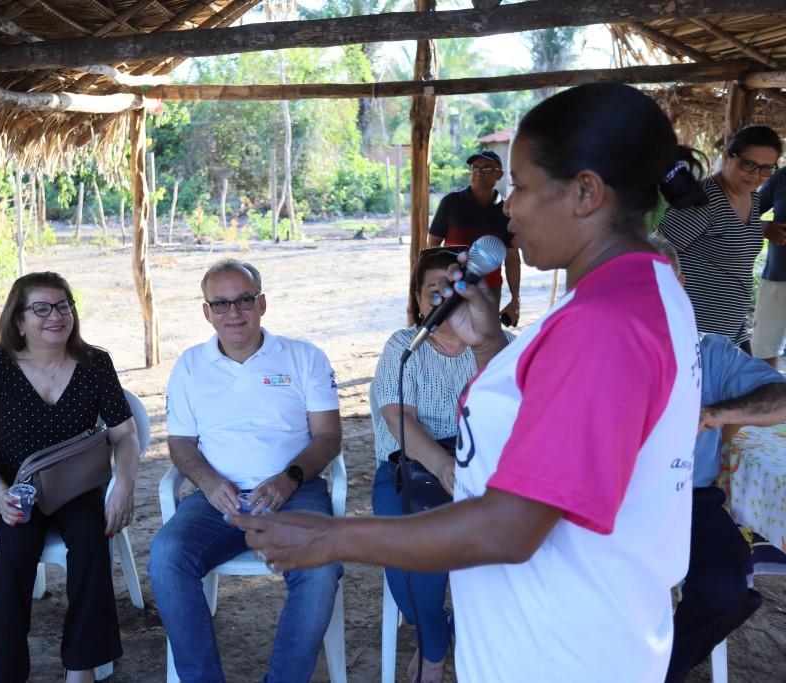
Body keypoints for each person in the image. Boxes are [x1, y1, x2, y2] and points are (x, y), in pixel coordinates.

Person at [237, 82, 708, 682]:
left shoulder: (603, 323)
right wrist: (488, 347)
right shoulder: (647, 286)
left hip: (557, 650)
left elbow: (511, 527)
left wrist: (332, 538)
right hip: (574, 627)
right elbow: (548, 432)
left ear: (586, 192)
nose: (507, 207)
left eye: (522, 186)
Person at [149, 259, 343, 683]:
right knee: (167, 557)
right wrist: (208, 482)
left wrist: (289, 478)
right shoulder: (190, 366)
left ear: (262, 304)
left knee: (320, 567)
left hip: (295, 493)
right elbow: (180, 443)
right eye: (220, 304)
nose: (233, 312)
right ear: (207, 312)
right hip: (216, 499)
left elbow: (329, 437)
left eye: (244, 300)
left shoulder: (304, 357)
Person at [0, 271, 140, 683]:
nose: (55, 317)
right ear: (19, 320)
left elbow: (125, 435)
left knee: (93, 540)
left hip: (76, 485)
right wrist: (0, 493)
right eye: (41, 309)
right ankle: (6, 673)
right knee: (14, 553)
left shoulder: (95, 363)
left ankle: (81, 667)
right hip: (14, 486)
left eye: (63, 306)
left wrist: (124, 485)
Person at [648, 236, 786, 682]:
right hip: (616, 500)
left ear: (682, 285)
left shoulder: (710, 351)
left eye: (664, 284)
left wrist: (715, 413)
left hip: (690, 498)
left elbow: (782, 396)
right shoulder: (598, 348)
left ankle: (661, 671)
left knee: (725, 589)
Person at [371, 246, 510, 682]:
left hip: (483, 468)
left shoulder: (502, 345)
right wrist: (443, 467)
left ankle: (451, 641)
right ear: (417, 300)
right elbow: (398, 416)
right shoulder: (403, 346)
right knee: (412, 569)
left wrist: (468, 470)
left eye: (453, 288)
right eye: (434, 291)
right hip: (408, 468)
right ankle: (435, 644)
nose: (444, 299)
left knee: (500, 566)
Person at [659, 124, 783, 352]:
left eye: (766, 168)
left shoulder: (752, 199)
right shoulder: (703, 200)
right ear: (727, 156)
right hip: (694, 333)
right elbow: (657, 248)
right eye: (748, 164)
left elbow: (731, 235)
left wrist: (764, 226)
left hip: (731, 330)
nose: (756, 175)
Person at [427, 150, 521, 326]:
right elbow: (432, 246)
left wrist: (515, 299)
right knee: (449, 335)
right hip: (453, 286)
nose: (478, 172)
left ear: (499, 175)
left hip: (490, 290)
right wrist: (431, 285)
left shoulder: (506, 212)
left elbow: (513, 258)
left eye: (487, 168)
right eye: (475, 167)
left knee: (484, 337)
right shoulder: (451, 203)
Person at [752, 165, 786, 367]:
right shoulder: (783, 177)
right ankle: (769, 388)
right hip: (777, 279)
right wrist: (764, 227)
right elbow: (744, 213)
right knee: (762, 352)